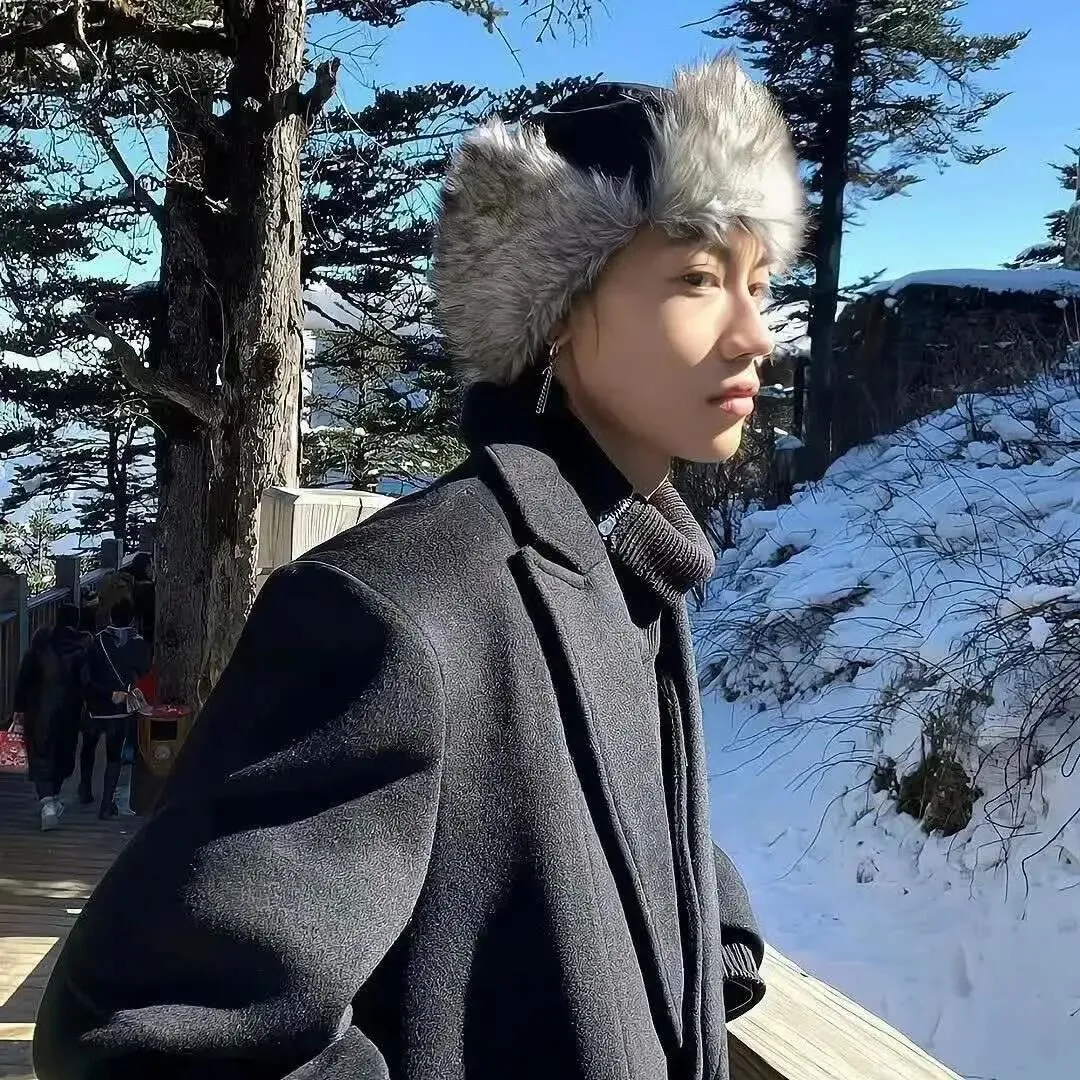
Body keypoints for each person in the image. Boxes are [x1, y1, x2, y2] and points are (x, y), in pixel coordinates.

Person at [34, 56, 804, 1080]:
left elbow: (580, 820)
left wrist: (707, 944)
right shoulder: (400, 609)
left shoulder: (621, 565)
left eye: (759, 284)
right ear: (556, 308)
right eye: (699, 280)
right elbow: (147, 1030)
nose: (755, 335)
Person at [11, 603, 90, 831]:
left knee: (41, 754)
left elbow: (25, 677)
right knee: (64, 753)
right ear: (76, 621)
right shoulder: (83, 647)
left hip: (39, 709)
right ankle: (53, 798)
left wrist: (19, 708)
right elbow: (87, 682)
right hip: (70, 711)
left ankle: (47, 802)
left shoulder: (41, 643)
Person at [77, 597, 151, 819]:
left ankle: (85, 788)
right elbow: (144, 669)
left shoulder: (97, 642)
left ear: (111, 617)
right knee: (113, 757)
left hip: (95, 706)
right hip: (119, 709)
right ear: (132, 619)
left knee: (88, 749)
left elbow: (85, 677)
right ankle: (106, 804)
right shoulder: (137, 643)